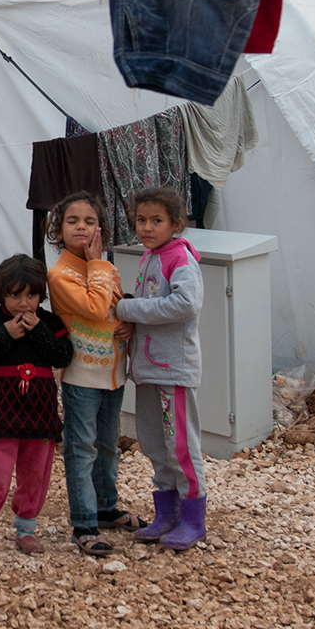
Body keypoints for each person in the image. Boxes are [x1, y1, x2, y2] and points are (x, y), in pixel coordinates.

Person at [47, 192, 142, 557]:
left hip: (114, 374)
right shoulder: (60, 275)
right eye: (73, 221)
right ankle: (83, 522)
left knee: (107, 445)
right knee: (81, 449)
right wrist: (98, 264)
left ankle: (105, 506)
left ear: (99, 227)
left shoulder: (105, 268)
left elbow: (114, 308)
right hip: (82, 377)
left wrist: (128, 324)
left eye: (89, 221)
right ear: (59, 229)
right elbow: (96, 304)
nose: (82, 227)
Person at [0, 255, 74, 564]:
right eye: (14, 295)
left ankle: (26, 528)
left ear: (41, 295)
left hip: (41, 418)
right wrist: (5, 334)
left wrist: (38, 330)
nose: (23, 303)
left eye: (31, 295)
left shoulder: (49, 323)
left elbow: (63, 355)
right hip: (3, 416)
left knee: (35, 476)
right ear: (0, 294)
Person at [113, 186, 207, 550]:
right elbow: (154, 302)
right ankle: (167, 514)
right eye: (141, 220)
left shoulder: (179, 258)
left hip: (174, 370)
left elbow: (185, 303)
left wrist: (128, 311)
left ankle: (193, 520)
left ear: (176, 224)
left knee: (181, 445)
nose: (147, 227)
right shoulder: (150, 257)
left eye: (156, 220)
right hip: (151, 368)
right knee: (154, 442)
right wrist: (132, 322)